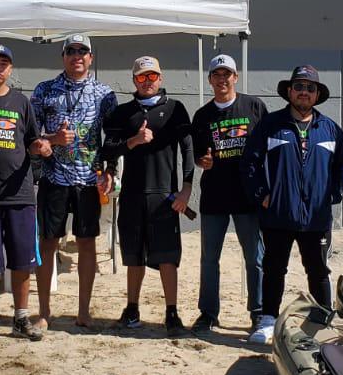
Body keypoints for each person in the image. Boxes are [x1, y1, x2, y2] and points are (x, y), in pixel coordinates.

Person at [241, 64, 343, 346]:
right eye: (299, 87)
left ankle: (322, 320)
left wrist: (332, 195)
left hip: (316, 217)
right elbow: (250, 162)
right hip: (278, 213)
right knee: (274, 267)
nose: (304, 92)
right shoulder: (271, 125)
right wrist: (262, 194)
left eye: (310, 88)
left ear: (317, 95)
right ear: (289, 91)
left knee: (317, 270)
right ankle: (267, 320)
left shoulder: (330, 129)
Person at [98, 56, 194, 334]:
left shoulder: (175, 109)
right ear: (134, 80)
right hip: (131, 193)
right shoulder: (123, 112)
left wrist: (186, 188)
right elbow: (109, 150)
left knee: (167, 256)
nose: (147, 82)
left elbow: (188, 149)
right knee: (133, 255)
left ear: (160, 78)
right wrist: (133, 142)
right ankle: (131, 308)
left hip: (164, 194)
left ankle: (172, 312)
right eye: (141, 77)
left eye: (152, 77)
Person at [30, 34, 116, 331]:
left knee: (87, 244)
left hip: (88, 180)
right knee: (48, 243)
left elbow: (112, 137)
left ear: (91, 57)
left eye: (83, 51)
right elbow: (31, 137)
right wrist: (52, 140)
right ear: (63, 56)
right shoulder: (45, 90)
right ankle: (43, 312)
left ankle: (83, 311)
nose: (77, 55)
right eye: (71, 51)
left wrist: (110, 169)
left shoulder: (104, 93)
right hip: (53, 178)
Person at [0, 43, 52, 343]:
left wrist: (42, 147)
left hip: (19, 194)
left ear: (11, 69)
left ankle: (21, 318)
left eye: (4, 62)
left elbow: (33, 140)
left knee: (22, 261)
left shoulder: (21, 102)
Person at [189, 53, 267, 333]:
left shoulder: (255, 107)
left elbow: (268, 149)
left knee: (255, 257)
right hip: (215, 196)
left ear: (235, 77)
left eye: (227, 74)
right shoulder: (202, 115)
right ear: (210, 80)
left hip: (247, 196)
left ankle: (258, 312)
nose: (222, 80)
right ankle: (208, 313)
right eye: (216, 75)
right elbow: (198, 157)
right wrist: (203, 162)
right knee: (209, 258)